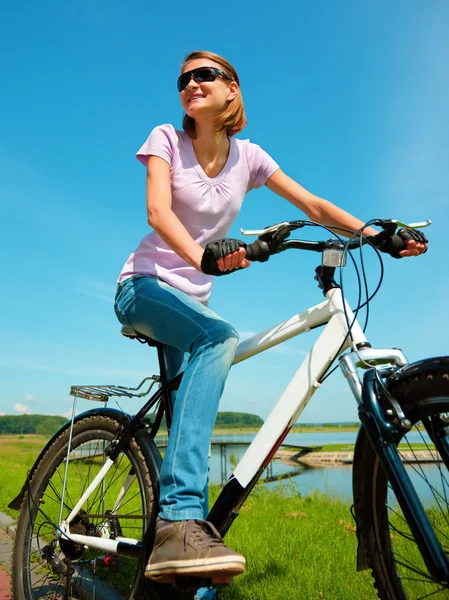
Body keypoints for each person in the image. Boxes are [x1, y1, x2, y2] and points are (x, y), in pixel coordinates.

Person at [114, 50, 427, 597]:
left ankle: (181, 564)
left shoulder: (250, 158)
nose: (190, 83)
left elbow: (312, 204)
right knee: (220, 337)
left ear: (232, 89)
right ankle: (179, 521)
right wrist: (203, 257)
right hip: (143, 287)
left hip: (191, 303)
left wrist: (377, 234)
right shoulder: (167, 136)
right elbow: (158, 213)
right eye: (184, 78)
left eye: (204, 75)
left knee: (188, 407)